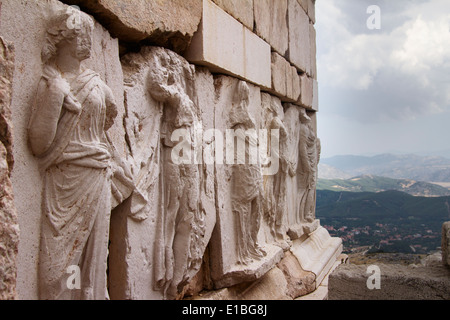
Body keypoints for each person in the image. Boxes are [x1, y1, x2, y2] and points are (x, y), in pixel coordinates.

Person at [28, 7, 118, 299]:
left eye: (89, 35)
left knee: (93, 258)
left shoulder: (98, 85)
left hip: (98, 177)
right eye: (80, 34)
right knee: (58, 269)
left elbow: (106, 122)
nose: (87, 41)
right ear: (62, 38)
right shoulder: (51, 83)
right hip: (65, 181)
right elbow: (39, 144)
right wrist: (56, 95)